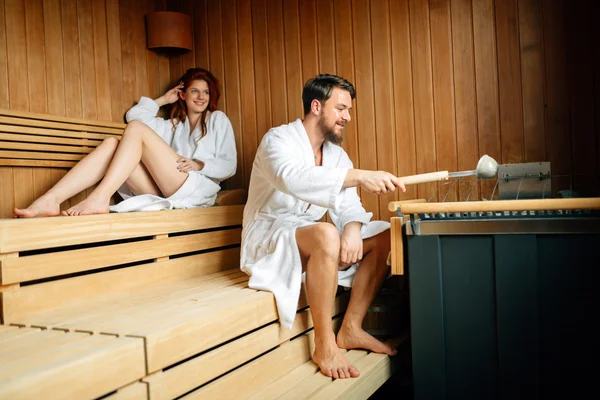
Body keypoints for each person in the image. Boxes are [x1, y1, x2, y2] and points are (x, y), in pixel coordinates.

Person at [240, 74, 406, 379]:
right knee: (327, 233)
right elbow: (292, 178)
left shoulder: (336, 154)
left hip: (310, 239)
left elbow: (349, 205)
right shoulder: (277, 140)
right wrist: (358, 176)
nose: (347, 117)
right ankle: (325, 343)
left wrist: (353, 229)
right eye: (341, 109)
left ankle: (351, 328)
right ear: (316, 106)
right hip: (268, 236)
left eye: (349, 110)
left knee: (385, 234)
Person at [13, 68, 236, 218]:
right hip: (165, 190)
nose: (201, 97)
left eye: (206, 92)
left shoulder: (217, 119)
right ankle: (51, 200)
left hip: (195, 189)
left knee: (135, 132)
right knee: (111, 143)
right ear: (182, 95)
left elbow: (229, 165)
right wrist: (162, 100)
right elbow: (134, 117)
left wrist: (198, 164)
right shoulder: (171, 125)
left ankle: (99, 198)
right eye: (194, 91)